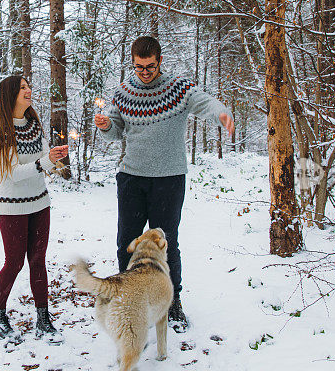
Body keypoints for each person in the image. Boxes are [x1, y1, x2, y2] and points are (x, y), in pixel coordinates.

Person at [94, 36, 234, 333]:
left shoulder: (178, 88)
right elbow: (117, 132)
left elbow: (204, 102)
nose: (144, 72)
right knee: (127, 243)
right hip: (132, 178)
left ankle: (172, 303)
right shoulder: (123, 92)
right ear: (132, 63)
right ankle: (128, 295)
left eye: (150, 66)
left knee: (166, 243)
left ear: (160, 61)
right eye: (138, 67)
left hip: (169, 179)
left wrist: (221, 113)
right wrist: (106, 127)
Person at [0, 75, 69, 342]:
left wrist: (55, 159)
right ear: (10, 94)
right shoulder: (2, 130)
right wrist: (44, 162)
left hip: (39, 203)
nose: (28, 90)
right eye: (22, 88)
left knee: (38, 261)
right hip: (13, 207)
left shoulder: (33, 124)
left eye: (28, 87)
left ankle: (43, 319)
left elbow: (44, 156)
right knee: (13, 263)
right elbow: (12, 173)